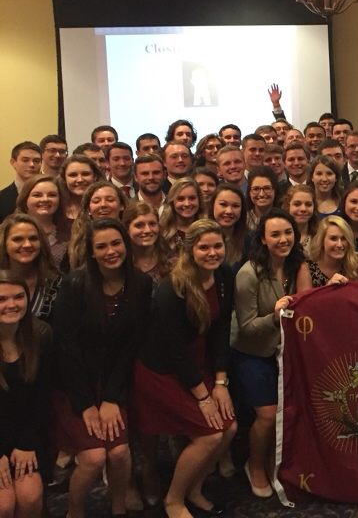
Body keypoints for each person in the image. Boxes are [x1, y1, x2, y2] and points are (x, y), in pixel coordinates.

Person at [133, 220, 237, 518]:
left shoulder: (223, 276)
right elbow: (174, 351)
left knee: (229, 427)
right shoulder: (172, 288)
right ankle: (174, 500)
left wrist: (220, 383)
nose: (212, 252)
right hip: (163, 371)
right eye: (203, 247)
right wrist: (204, 398)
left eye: (217, 246)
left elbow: (221, 330)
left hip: (198, 362)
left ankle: (195, 487)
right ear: (189, 251)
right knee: (210, 435)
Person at [52, 218, 152, 518]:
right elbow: (66, 350)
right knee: (94, 457)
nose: (111, 251)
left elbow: (131, 347)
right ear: (91, 252)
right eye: (102, 246)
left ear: (126, 244)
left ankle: (118, 509)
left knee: (120, 453)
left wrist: (111, 397)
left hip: (113, 383)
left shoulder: (141, 283)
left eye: (116, 243)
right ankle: (74, 511)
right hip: (73, 385)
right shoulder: (74, 285)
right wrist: (86, 405)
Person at [231, 208, 306, 498]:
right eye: (275, 234)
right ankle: (255, 464)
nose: (283, 239)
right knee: (266, 415)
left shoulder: (296, 265)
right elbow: (246, 328)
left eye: (288, 233)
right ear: (262, 239)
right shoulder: (248, 274)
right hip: (252, 354)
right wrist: (276, 316)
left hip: (286, 354)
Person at [0, 273, 49, 518]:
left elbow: (43, 399)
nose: (11, 305)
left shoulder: (41, 337)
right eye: (1, 299)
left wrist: (27, 442)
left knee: (30, 497)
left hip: (26, 435)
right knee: (4, 505)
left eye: (18, 297)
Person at [0, 214, 61, 322]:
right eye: (17, 239)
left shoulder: (58, 283)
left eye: (33, 238)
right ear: (4, 244)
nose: (27, 245)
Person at [65, 181, 128, 271]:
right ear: (89, 210)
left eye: (110, 200)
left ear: (122, 205)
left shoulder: (133, 234)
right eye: (96, 201)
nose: (103, 205)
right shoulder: (77, 242)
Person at [16, 174, 69, 266]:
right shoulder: (8, 231)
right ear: (25, 199)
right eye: (37, 195)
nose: (45, 199)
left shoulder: (70, 233)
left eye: (52, 195)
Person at [299, 216, 357, 289]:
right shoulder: (306, 268)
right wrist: (328, 288)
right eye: (333, 239)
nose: (339, 244)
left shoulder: (351, 267)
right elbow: (305, 300)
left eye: (343, 239)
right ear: (322, 241)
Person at [123, 201, 172, 287]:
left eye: (152, 224)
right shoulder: (120, 263)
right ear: (127, 229)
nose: (147, 230)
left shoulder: (172, 263)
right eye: (139, 225)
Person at [210, 185, 247, 272]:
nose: (229, 211)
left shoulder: (250, 240)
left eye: (235, 206)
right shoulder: (199, 236)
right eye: (223, 204)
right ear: (212, 205)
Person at [160, 178, 201, 254]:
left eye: (192, 198)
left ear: (199, 200)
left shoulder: (207, 229)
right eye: (181, 199)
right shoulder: (162, 232)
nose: (187, 204)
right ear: (172, 202)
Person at [58, 155, 100, 223]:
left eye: (85, 174)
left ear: (95, 177)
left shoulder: (104, 206)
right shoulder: (56, 208)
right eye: (73, 175)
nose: (80, 180)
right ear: (64, 179)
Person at [282, 184, 320, 249]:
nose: (303, 209)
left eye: (308, 204)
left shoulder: (320, 235)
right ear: (288, 206)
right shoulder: (280, 236)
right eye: (297, 204)